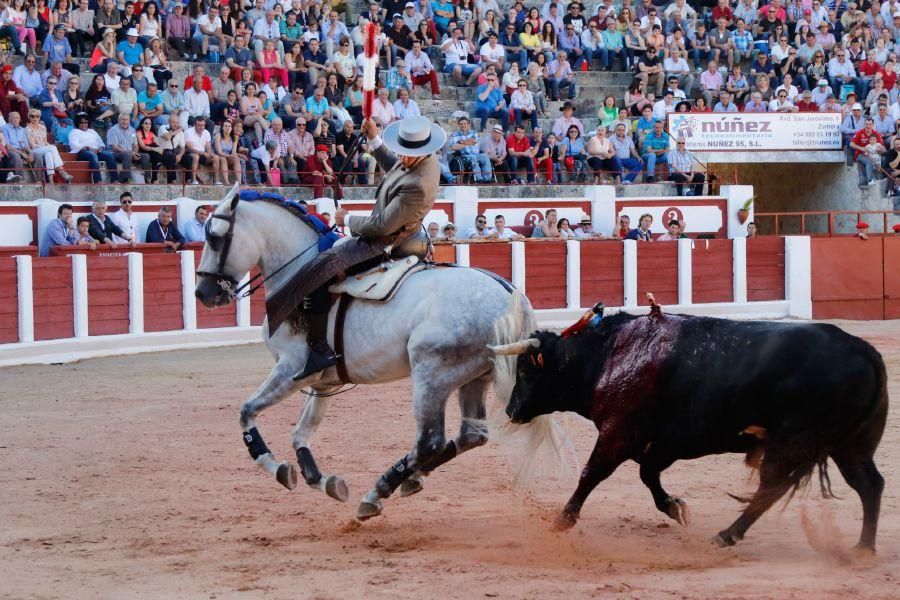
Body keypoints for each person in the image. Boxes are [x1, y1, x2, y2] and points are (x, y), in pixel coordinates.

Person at [266, 115, 444, 381]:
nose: (402, 158)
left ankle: (319, 349)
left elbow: (383, 226)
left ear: (421, 152)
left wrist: (346, 220)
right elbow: (396, 167)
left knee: (323, 268)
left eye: (407, 154)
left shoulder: (419, 184)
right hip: (396, 232)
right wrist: (374, 138)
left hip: (389, 240)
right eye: (403, 151)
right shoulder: (423, 161)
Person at [69, 113, 116, 182]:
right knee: (92, 155)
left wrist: (100, 148)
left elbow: (101, 143)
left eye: (86, 122)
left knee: (109, 155)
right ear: (77, 123)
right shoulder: (74, 132)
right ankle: (98, 181)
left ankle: (115, 180)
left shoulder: (92, 131)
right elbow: (74, 145)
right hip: (82, 153)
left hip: (96, 152)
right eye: (81, 123)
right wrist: (89, 148)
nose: (84, 124)